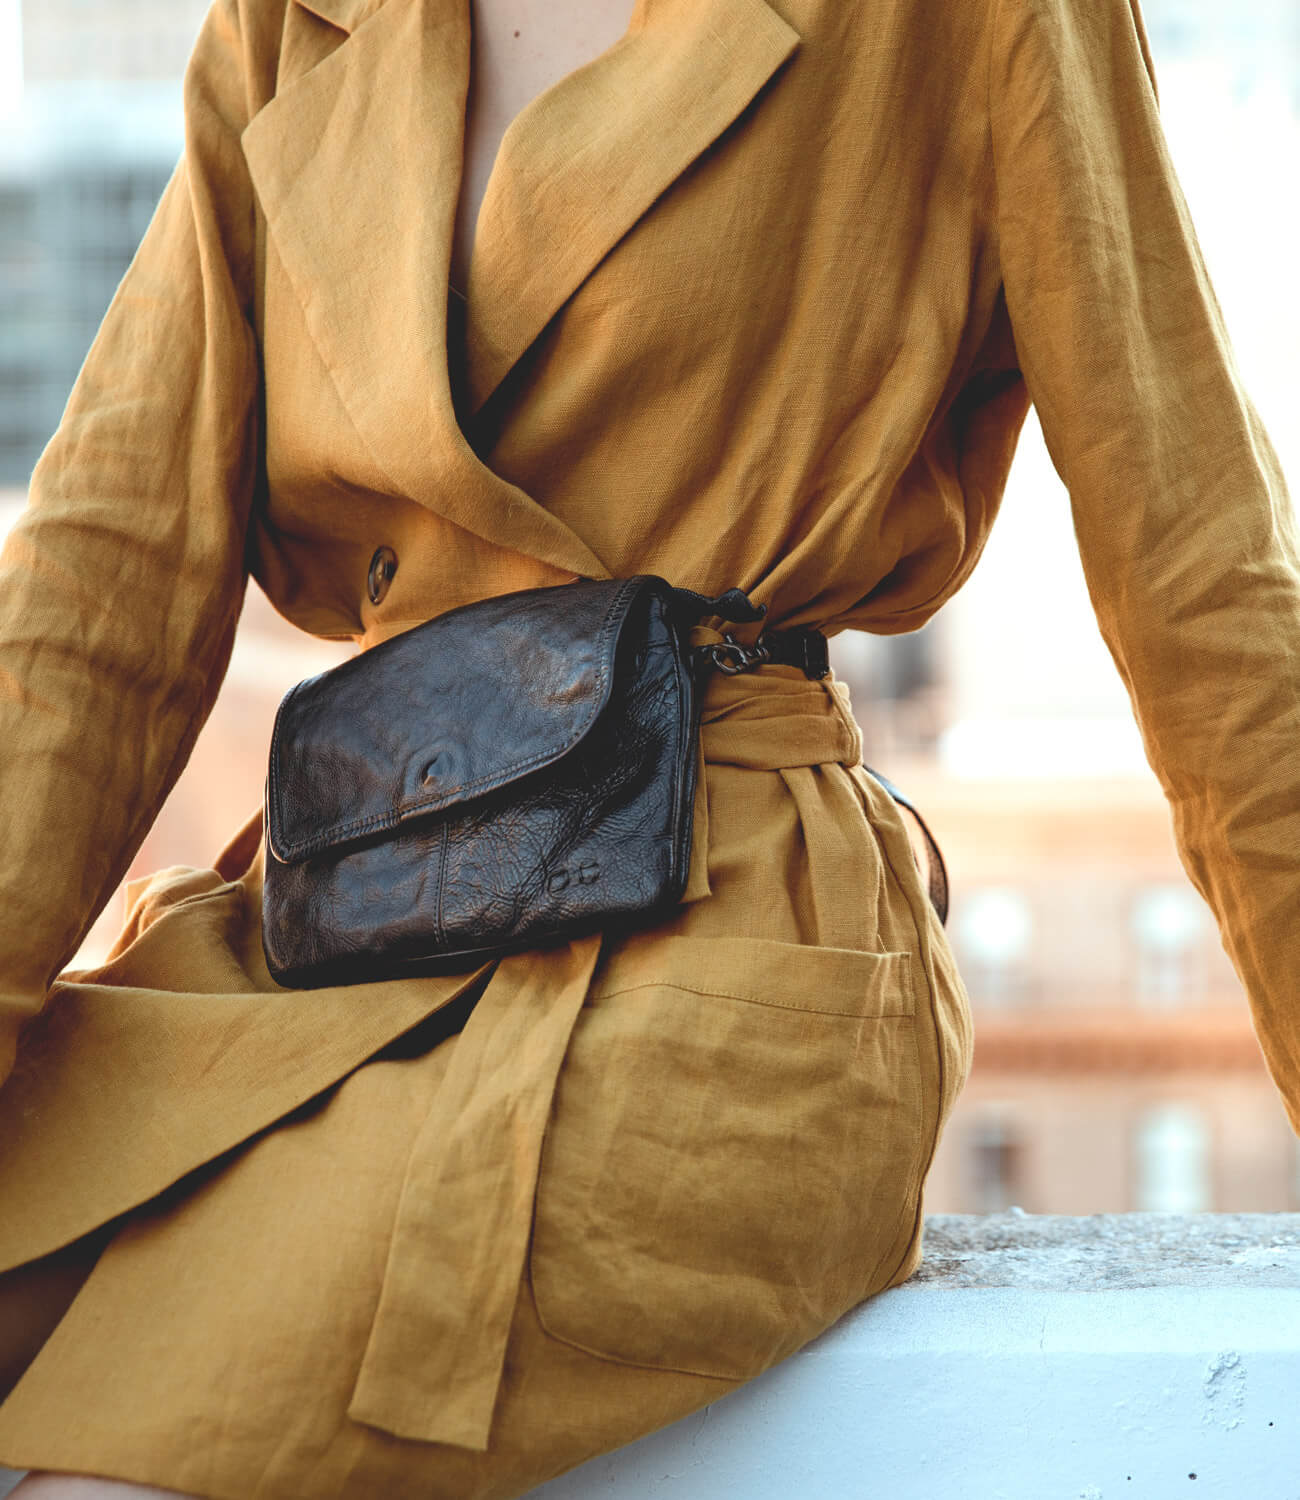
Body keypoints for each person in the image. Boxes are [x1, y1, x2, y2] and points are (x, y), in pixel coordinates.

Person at [0, 0, 1296, 1494]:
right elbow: (101, 586)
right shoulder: (289, 23)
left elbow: (1204, 574)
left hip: (726, 931)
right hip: (351, 927)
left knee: (124, 1477)